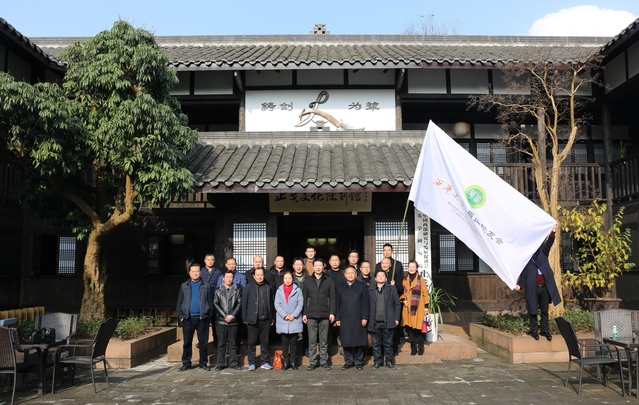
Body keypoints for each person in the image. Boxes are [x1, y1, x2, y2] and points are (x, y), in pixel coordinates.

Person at [515, 224, 561, 341]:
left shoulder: (542, 253)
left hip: (544, 287)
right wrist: (519, 285)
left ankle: (545, 330)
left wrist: (553, 232)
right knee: (533, 310)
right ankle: (534, 330)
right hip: (532, 288)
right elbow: (524, 275)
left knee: (544, 310)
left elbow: (549, 243)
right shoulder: (526, 259)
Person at [176, 263, 213, 371]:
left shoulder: (206, 285)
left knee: (203, 343)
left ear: (200, 272)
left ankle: (203, 363)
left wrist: (208, 316)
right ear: (189, 273)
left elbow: (210, 303)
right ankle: (186, 363)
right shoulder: (184, 285)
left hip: (202, 318)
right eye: (193, 271)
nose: (195, 273)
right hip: (188, 318)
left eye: (197, 271)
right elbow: (179, 303)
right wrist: (181, 316)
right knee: (187, 342)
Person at [302, 258, 336, 371]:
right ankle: (312, 361)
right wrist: (304, 313)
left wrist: (332, 312)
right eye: (316, 265)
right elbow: (304, 297)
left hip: (325, 314)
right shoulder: (307, 281)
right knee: (312, 340)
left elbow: (332, 297)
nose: (318, 267)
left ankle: (323, 361)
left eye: (320, 265)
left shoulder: (329, 280)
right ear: (313, 267)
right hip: (311, 314)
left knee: (323, 340)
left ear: (323, 266)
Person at [335, 266, 369, 370]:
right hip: (344, 317)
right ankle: (348, 361)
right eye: (348, 273)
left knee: (359, 340)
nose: (350, 275)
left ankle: (358, 361)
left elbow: (365, 303)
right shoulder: (340, 287)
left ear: (356, 274)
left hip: (358, 317)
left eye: (352, 273)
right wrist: (337, 318)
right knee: (346, 340)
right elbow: (337, 304)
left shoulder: (362, 286)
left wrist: (364, 317)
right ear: (345, 275)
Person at [242, 267, 275, 370]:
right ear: (254, 276)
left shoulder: (268, 287)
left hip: (266, 319)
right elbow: (244, 303)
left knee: (265, 342)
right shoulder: (248, 287)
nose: (259, 277)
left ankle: (265, 361)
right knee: (251, 342)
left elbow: (271, 303)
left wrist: (272, 317)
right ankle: (251, 362)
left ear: (264, 275)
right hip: (252, 319)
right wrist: (244, 317)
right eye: (258, 275)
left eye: (261, 275)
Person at [368, 270, 401, 370]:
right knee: (376, 344)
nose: (380, 277)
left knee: (388, 344)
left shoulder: (392, 289)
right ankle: (377, 362)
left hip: (388, 321)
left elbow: (397, 304)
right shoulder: (370, 290)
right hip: (374, 322)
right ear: (375, 278)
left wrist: (396, 318)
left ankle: (389, 362)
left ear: (386, 279)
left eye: (383, 276)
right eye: (378, 276)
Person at [213, 270, 242, 371]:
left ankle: (233, 363)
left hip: (233, 321)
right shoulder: (217, 290)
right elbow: (215, 303)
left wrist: (232, 315)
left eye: (231, 277)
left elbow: (239, 303)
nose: (229, 279)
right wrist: (225, 315)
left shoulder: (237, 290)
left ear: (233, 278)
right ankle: (220, 363)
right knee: (221, 343)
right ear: (223, 278)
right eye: (227, 277)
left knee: (233, 343)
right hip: (221, 321)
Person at [274, 271, 304, 370]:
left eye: (289, 278)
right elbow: (277, 304)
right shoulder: (279, 290)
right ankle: (286, 362)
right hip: (283, 319)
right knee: (285, 342)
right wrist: (284, 315)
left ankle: (293, 361)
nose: (287, 280)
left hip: (294, 319)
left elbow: (300, 303)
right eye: (285, 278)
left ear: (292, 279)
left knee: (294, 342)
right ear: (283, 279)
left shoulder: (297, 290)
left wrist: (294, 315)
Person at [399, 260, 429, 356]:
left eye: (413, 267)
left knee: (418, 328)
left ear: (416, 268)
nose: (411, 269)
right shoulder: (404, 279)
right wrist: (403, 300)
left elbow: (425, 293)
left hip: (418, 307)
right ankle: (413, 347)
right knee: (410, 329)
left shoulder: (421, 279)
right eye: (410, 267)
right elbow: (402, 293)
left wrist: (426, 306)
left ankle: (420, 346)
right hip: (408, 307)